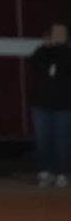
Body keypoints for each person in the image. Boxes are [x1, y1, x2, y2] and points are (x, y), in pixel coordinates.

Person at [27, 22, 71, 188]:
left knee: (62, 141)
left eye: (62, 33)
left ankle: (62, 173)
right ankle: (46, 172)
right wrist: (45, 47)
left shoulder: (67, 54)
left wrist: (60, 48)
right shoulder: (43, 52)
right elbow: (33, 63)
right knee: (43, 140)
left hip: (63, 106)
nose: (58, 35)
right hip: (41, 104)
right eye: (55, 32)